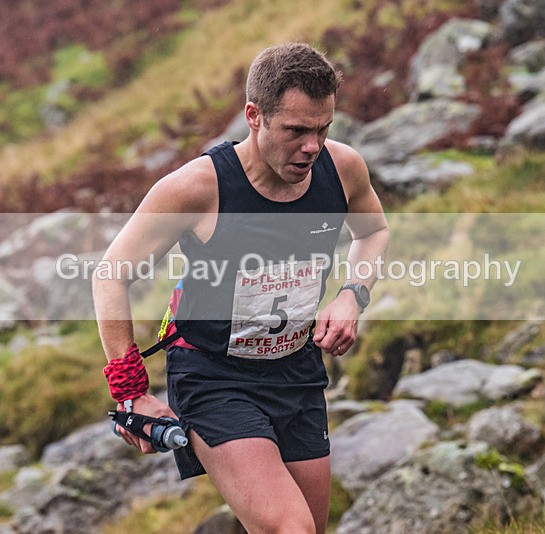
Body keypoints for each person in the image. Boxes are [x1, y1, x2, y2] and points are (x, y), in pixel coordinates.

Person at [94, 42, 389, 534]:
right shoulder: (195, 188)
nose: (312, 147)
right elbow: (110, 274)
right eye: (296, 130)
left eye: (323, 129)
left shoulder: (342, 169)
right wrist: (130, 392)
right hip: (214, 377)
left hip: (297, 374)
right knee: (290, 529)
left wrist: (350, 294)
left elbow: (374, 232)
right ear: (254, 116)